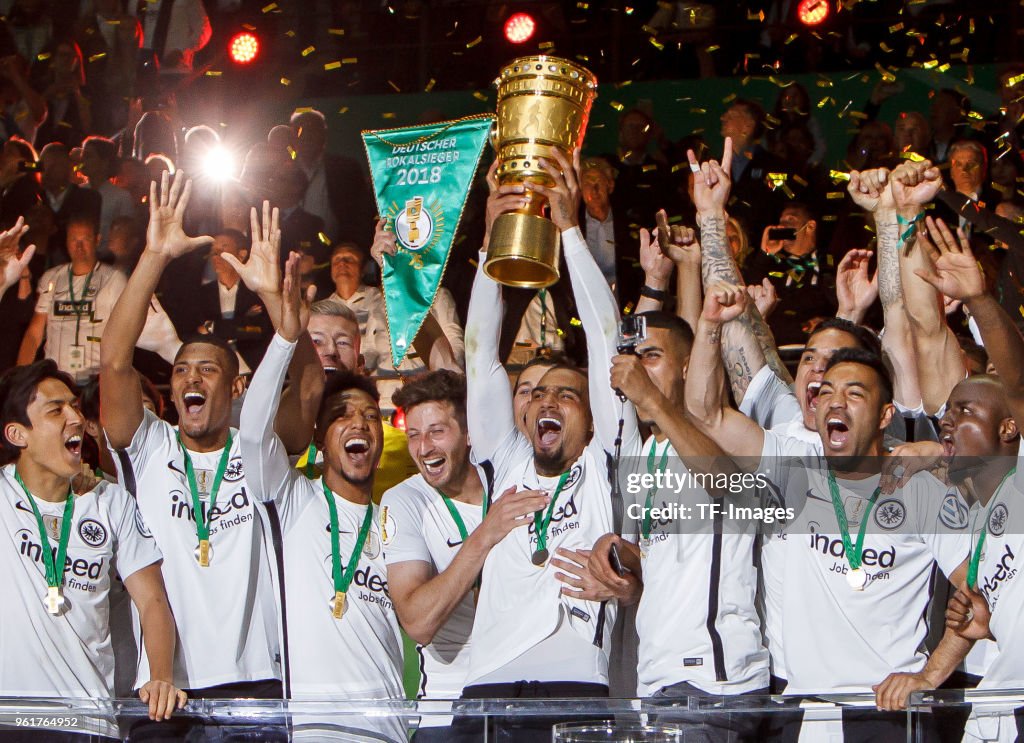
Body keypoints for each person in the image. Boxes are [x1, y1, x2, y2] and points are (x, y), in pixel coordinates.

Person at [456, 147, 635, 741]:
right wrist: (490, 242)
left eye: (568, 395)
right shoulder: (505, 459)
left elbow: (608, 343)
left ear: (592, 416)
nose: (547, 403)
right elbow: (480, 353)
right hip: (485, 689)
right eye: (536, 395)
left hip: (575, 691)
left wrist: (570, 233)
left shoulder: (603, 463)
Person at [100, 172, 285, 739]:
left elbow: (296, 384)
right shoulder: (149, 446)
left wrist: (277, 295)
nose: (190, 378)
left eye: (208, 369)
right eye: (181, 369)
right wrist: (154, 254)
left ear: (234, 389)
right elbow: (113, 360)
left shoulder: (259, 452)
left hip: (256, 683)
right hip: (164, 688)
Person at [239, 253, 405, 742]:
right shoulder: (293, 496)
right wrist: (285, 335)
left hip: (393, 729)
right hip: (312, 730)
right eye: (341, 416)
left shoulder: (403, 512)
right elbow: (253, 436)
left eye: (370, 416)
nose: (358, 424)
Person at [588, 310, 770, 743]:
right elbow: (655, 553)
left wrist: (651, 399)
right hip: (657, 680)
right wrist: (614, 550)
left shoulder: (723, 431)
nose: (637, 367)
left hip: (712, 684)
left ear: (688, 368)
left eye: (651, 356)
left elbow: (724, 483)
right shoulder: (645, 452)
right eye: (634, 356)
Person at [0, 359, 186, 740]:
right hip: (10, 718)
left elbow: (152, 601)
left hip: (89, 723)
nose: (76, 418)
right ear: (18, 434)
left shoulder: (110, 502)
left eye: (74, 406)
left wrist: (161, 677)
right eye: (56, 410)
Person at [380, 371, 546, 740]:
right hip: (446, 710)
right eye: (414, 435)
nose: (424, 448)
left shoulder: (507, 482)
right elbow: (417, 622)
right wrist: (485, 534)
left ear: (470, 434)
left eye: (437, 432)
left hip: (524, 698)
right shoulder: (405, 501)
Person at [17, 214, 179, 383]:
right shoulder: (51, 278)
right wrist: (21, 377)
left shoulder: (115, 279)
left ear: (97, 240)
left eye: (85, 239)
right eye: (73, 239)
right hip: (57, 379)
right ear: (66, 242)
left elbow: (126, 330)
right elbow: (34, 334)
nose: (79, 246)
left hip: (98, 382)